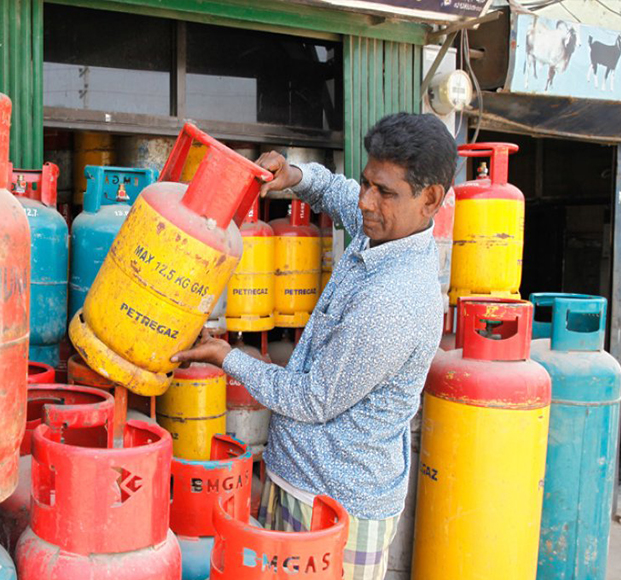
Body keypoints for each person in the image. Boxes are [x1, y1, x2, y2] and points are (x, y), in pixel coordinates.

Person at [172, 112, 457, 580]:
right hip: (297, 478)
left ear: (430, 200)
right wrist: (295, 176)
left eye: (383, 191)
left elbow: (312, 398)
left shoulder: (395, 300)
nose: (366, 200)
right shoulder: (383, 226)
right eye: (368, 181)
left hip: (333, 508)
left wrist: (227, 357)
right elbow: (337, 192)